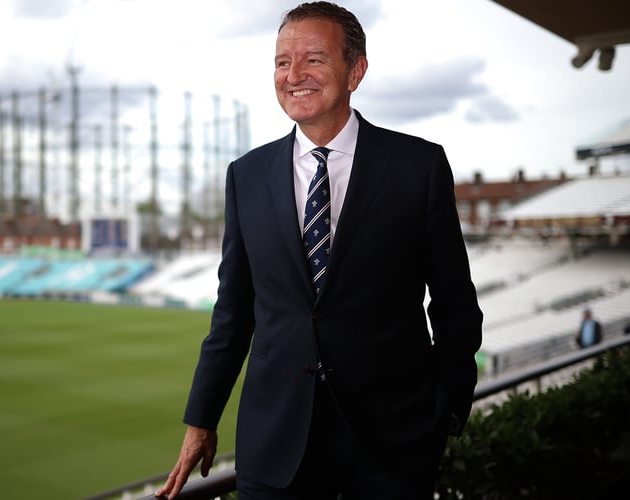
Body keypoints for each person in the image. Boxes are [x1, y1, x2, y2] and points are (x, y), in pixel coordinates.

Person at [156, 2, 483, 499]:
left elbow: (455, 300)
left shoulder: (418, 165)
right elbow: (233, 312)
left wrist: (448, 407)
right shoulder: (245, 176)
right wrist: (201, 419)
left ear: (356, 70)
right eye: (282, 62)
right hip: (275, 443)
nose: (294, 75)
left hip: (394, 444)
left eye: (314, 58)